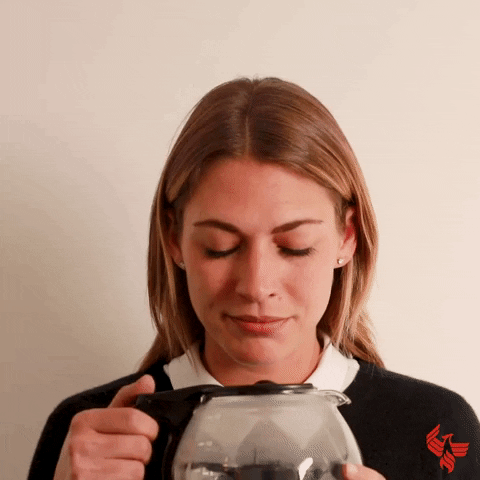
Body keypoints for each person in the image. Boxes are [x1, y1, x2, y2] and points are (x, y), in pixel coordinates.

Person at [28, 77, 479, 480]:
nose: (256, 286)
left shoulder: (436, 431)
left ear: (347, 237)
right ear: (173, 238)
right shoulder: (92, 437)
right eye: (220, 247)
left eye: (295, 246)